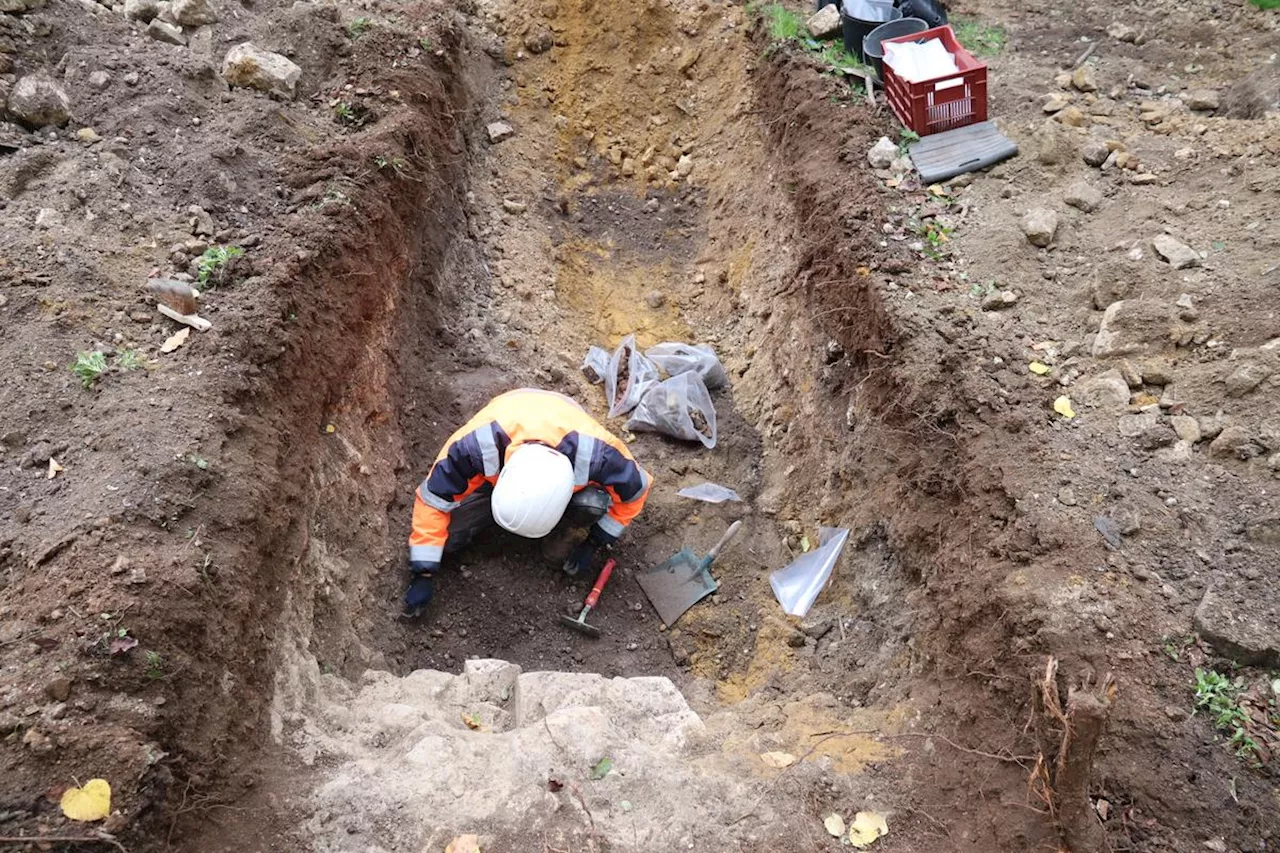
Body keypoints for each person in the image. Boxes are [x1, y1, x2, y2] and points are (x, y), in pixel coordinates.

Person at [405, 388, 652, 614]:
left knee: (592, 503)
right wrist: (423, 570)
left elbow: (636, 491)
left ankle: (567, 526)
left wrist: (597, 539)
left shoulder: (600, 456)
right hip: (512, 407)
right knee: (448, 536)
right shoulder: (475, 448)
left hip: (566, 415)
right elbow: (434, 499)